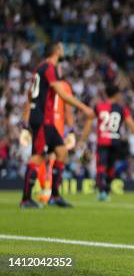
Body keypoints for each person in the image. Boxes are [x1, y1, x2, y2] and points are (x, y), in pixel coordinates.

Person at [20, 42, 95, 208]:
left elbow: (30, 93)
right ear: (55, 51)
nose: (63, 50)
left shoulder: (39, 68)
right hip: (41, 119)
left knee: (62, 152)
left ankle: (55, 196)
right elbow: (62, 94)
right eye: (61, 48)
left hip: (44, 119)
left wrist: (31, 111)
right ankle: (25, 199)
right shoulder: (48, 67)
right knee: (38, 157)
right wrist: (84, 108)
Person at [80, 83, 134, 201]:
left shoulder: (99, 107)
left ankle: (102, 191)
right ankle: (106, 191)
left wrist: (82, 140)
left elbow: (89, 122)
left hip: (102, 140)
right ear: (116, 95)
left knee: (101, 167)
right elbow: (132, 126)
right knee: (110, 168)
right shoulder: (122, 109)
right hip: (115, 141)